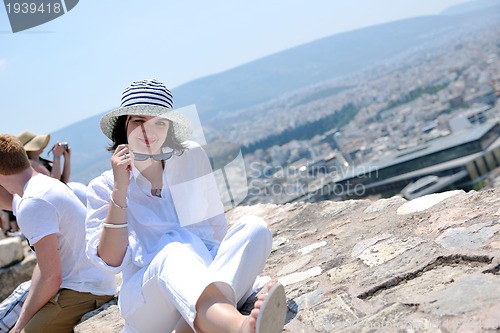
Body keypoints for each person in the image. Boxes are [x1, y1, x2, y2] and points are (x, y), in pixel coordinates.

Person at [85, 79, 287, 333]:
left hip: (199, 273)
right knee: (174, 251)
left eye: (159, 122)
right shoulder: (103, 186)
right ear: (123, 126)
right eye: (138, 121)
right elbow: (110, 260)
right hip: (149, 301)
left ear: (168, 127)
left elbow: (214, 231)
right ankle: (239, 327)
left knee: (254, 228)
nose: (149, 130)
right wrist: (121, 187)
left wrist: (225, 269)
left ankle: (194, 324)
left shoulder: (189, 157)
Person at [0, 134, 116, 333]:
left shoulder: (33, 203)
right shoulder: (37, 187)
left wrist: (20, 326)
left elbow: (52, 278)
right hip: (85, 280)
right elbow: (7, 202)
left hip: (86, 289)